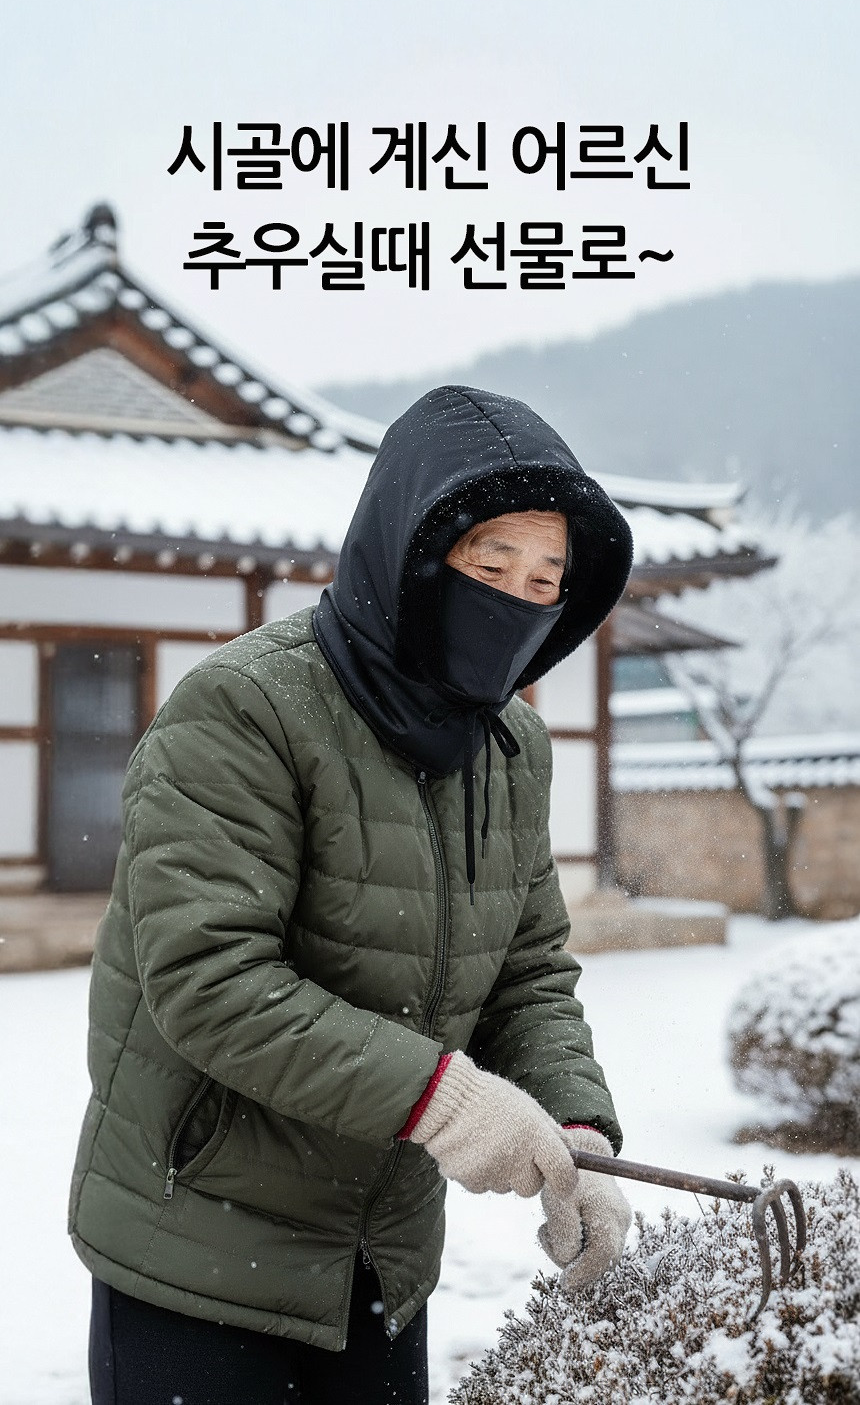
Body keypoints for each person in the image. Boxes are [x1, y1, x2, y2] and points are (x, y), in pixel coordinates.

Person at [70, 383, 635, 1405]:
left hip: (381, 1259)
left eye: (545, 580)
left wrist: (579, 1130)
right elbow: (209, 981)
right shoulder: (246, 707)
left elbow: (527, 973)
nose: (517, 600)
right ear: (410, 557)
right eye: (489, 567)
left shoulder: (510, 747)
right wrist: (444, 1100)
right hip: (197, 1241)